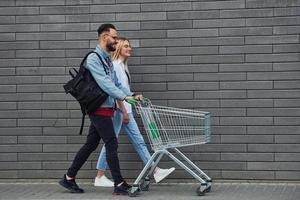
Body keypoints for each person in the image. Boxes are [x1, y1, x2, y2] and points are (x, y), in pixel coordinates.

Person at [58, 24, 142, 195]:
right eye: (114, 37)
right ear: (104, 37)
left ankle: (68, 178)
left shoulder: (107, 59)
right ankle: (119, 183)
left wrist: (131, 94)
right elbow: (105, 84)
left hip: (106, 107)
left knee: (91, 144)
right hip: (98, 108)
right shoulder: (94, 59)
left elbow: (117, 84)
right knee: (111, 143)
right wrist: (124, 97)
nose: (116, 41)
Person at [93, 37, 175, 187]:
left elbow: (124, 91)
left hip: (125, 110)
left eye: (129, 46)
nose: (129, 48)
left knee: (136, 142)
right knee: (111, 143)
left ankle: (155, 170)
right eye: (126, 46)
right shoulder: (116, 66)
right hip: (120, 111)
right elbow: (115, 91)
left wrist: (134, 96)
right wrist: (124, 111)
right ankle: (100, 175)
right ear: (118, 49)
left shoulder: (123, 66)